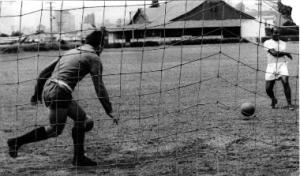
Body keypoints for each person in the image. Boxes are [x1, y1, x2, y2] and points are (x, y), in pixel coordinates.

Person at [7, 28, 118, 166]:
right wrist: (110, 110)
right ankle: (16, 142)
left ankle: (79, 158)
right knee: (55, 130)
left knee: (85, 121)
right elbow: (99, 87)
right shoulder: (93, 57)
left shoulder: (70, 52)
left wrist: (36, 94)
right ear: (100, 46)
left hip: (52, 89)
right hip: (60, 91)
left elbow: (44, 73)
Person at [264, 27, 294, 109]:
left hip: (282, 65)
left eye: (278, 33)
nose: (277, 34)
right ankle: (273, 99)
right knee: (268, 88)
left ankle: (289, 104)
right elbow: (274, 53)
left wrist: (285, 54)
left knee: (285, 82)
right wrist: (286, 53)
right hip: (271, 66)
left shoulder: (283, 43)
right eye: (275, 32)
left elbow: (279, 54)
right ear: (271, 33)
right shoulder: (267, 42)